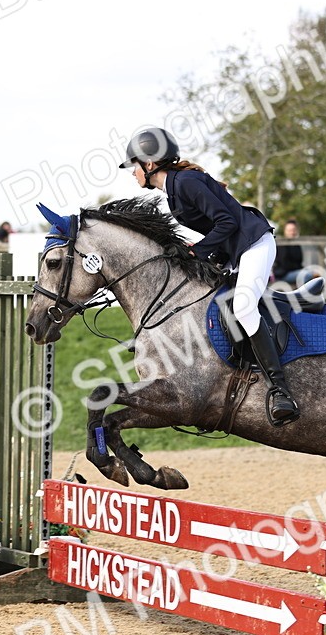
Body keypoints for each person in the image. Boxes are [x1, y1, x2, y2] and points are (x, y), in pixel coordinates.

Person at [119, 126, 298, 426]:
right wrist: (202, 252)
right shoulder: (175, 190)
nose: (133, 173)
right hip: (235, 250)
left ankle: (280, 389)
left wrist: (199, 250)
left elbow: (227, 221)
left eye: (134, 166)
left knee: (243, 307)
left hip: (254, 245)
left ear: (149, 164)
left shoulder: (186, 183)